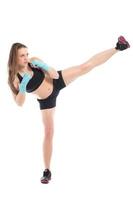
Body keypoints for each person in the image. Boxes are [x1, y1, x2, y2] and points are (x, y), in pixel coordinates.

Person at [7, 36, 130, 184]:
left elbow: (55, 74)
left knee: (85, 67)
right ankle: (47, 171)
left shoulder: (33, 61)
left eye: (27, 54)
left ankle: (118, 47)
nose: (26, 57)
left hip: (56, 82)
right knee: (49, 132)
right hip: (46, 100)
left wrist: (42, 65)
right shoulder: (15, 77)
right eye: (22, 55)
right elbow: (19, 103)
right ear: (15, 57)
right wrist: (22, 88)